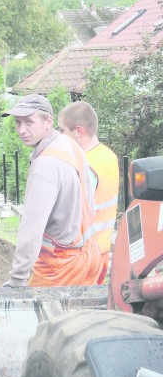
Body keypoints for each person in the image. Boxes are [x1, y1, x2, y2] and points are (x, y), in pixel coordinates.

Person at [2, 94, 102, 287]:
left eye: (29, 122)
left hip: (61, 264)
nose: (22, 130)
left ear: (48, 121)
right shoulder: (70, 145)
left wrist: (17, 278)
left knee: (43, 317)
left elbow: (32, 227)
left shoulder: (45, 165)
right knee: (77, 316)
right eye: (18, 123)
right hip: (90, 254)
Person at [58, 101, 119, 284]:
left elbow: (74, 214)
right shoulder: (108, 155)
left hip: (83, 256)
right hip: (102, 249)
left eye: (62, 130)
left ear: (79, 131)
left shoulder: (85, 165)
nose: (59, 136)